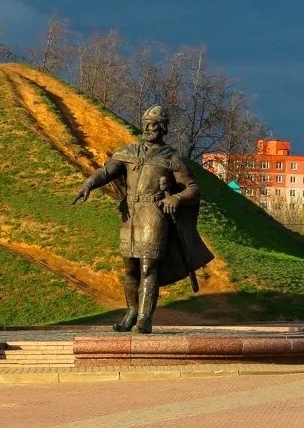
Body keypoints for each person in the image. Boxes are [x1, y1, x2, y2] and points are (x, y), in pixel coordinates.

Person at [72, 105, 213, 334]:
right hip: (130, 213)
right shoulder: (129, 152)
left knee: (148, 267)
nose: (149, 128)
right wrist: (89, 184)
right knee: (129, 269)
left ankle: (144, 318)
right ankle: (131, 311)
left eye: (154, 124)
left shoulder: (172, 158)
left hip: (153, 214)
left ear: (163, 128)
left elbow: (193, 189)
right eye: (146, 124)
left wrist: (176, 198)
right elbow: (107, 172)